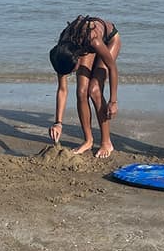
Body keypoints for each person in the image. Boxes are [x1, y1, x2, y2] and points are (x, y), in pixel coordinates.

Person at [48, 15, 121, 158]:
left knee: (94, 89)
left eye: (73, 70)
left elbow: (112, 68)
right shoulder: (61, 54)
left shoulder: (93, 40)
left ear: (77, 58)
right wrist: (58, 123)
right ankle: (88, 140)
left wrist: (113, 101)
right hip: (82, 45)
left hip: (109, 40)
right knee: (81, 91)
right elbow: (62, 90)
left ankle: (106, 142)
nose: (73, 72)